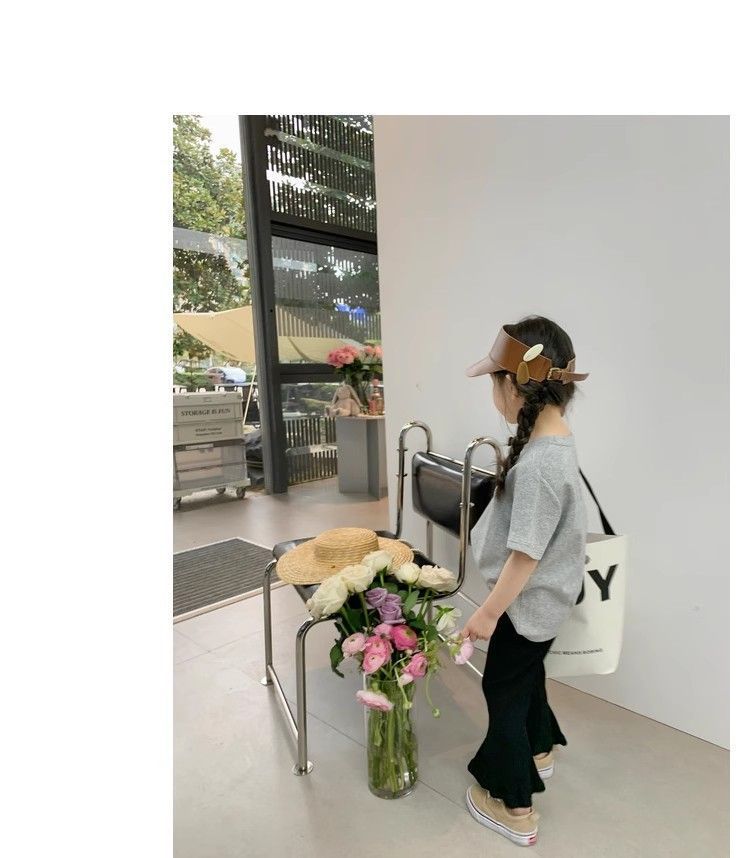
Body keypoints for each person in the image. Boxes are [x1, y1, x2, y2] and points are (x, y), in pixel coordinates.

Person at [461, 315, 590, 848]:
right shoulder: (557, 442)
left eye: (495, 381)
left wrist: (487, 612)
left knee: (502, 690)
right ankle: (540, 748)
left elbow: (524, 556)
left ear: (514, 386)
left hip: (524, 605)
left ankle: (513, 803)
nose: (493, 393)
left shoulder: (539, 464)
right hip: (547, 603)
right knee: (526, 677)